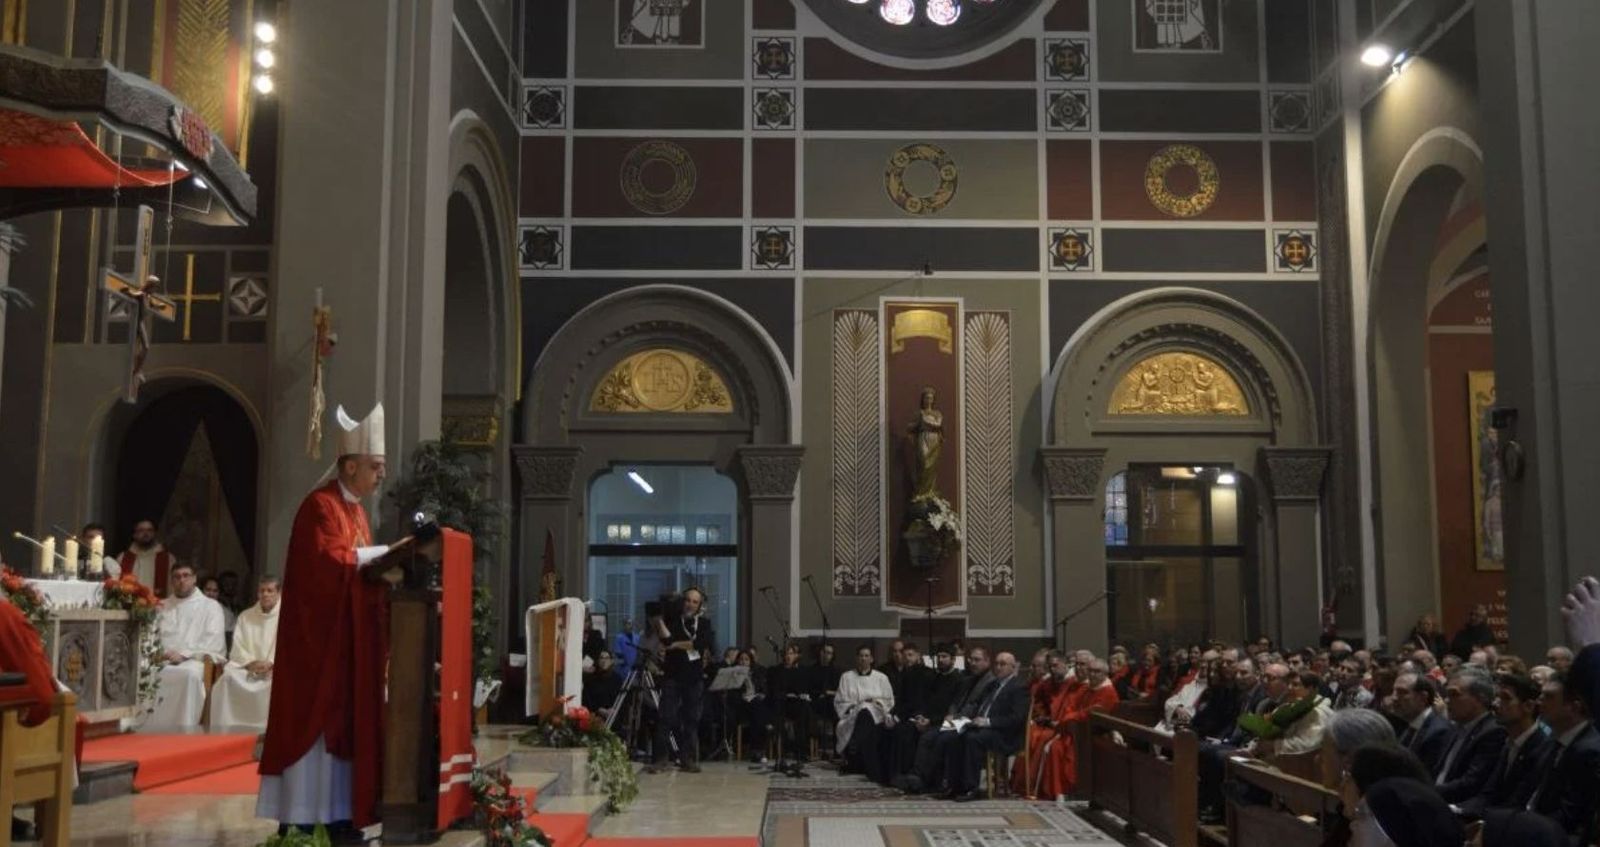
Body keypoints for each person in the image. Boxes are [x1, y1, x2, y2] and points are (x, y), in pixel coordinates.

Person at [259, 402, 412, 838]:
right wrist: (384, 555)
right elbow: (325, 565)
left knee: (349, 728)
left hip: (349, 643)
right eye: (376, 466)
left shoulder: (357, 511)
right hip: (318, 645)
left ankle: (343, 817)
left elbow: (358, 568)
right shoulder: (319, 506)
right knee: (316, 730)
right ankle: (304, 821)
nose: (382, 474)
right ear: (349, 466)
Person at [1026, 655, 1117, 799]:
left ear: (1105, 674)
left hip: (1091, 734)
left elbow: (1090, 713)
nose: (1092, 674)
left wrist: (1067, 719)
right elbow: (1072, 705)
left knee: (1057, 747)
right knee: (1052, 745)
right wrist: (1067, 718)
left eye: (1097, 671)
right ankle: (1054, 791)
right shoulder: (1088, 688)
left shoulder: (1107, 692)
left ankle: (1066, 789)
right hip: (1077, 730)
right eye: (1091, 671)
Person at [147, 562, 227, 727]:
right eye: (177, 577)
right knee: (144, 672)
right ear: (171, 581)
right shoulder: (161, 606)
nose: (181, 580)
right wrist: (159, 653)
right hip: (162, 659)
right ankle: (147, 728)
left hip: (194, 661)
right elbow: (150, 636)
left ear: (194, 579)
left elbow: (213, 642)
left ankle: (183, 729)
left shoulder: (211, 607)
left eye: (186, 576)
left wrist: (184, 655)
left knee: (188, 675)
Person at [1457, 672, 1547, 817]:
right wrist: (1455, 809)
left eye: (1505, 698)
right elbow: (1487, 794)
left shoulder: (1541, 748)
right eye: (1497, 697)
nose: (1495, 704)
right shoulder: (1508, 742)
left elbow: (1517, 804)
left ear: (1529, 706)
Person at [941, 650, 1027, 802]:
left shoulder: (1018, 687)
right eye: (996, 664)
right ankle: (954, 785)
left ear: (1013, 667)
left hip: (1002, 733)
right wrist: (960, 719)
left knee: (971, 739)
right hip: (979, 724)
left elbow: (1016, 719)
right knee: (951, 733)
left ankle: (970, 788)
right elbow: (977, 706)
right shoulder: (992, 685)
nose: (998, 667)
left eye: (1003, 664)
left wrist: (987, 722)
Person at [1524, 672, 1599, 842]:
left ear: (1574, 706)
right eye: (1541, 695)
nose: (1539, 701)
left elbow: (1570, 815)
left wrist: (1520, 827)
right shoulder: (1552, 740)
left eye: (1548, 697)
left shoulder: (1590, 751)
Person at [648, 587, 713, 774]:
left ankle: (688, 760)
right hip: (672, 676)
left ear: (699, 605)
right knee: (665, 718)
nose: (690, 604)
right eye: (688, 600)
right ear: (683, 602)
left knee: (691, 720)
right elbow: (665, 641)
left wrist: (676, 644)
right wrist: (660, 621)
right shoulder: (672, 620)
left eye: (695, 602)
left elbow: (699, 644)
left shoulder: (704, 624)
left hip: (694, 677)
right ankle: (660, 760)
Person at [206, 574, 281, 730]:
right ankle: (227, 731)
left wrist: (271, 663)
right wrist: (251, 663)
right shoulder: (245, 616)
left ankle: (268, 731)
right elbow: (238, 647)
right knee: (227, 679)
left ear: (278, 593)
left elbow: (289, 648)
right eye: (262, 590)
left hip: (274, 670)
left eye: (270, 590)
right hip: (248, 667)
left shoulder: (287, 617)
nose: (265, 594)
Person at [1432, 665, 1508, 803]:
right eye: (1447, 695)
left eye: (1454, 694)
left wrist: (1428, 792)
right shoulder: (1454, 727)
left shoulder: (1493, 732)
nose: (1447, 700)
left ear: (1480, 699)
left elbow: (1471, 783)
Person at [835, 644, 896, 784]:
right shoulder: (846, 677)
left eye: (866, 656)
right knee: (862, 712)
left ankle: (854, 751)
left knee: (866, 712)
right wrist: (854, 706)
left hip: (877, 714)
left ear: (872, 659)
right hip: (852, 714)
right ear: (857, 658)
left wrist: (875, 702)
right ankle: (860, 759)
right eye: (861, 656)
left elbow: (889, 700)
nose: (863, 659)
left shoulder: (881, 678)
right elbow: (840, 701)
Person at [1390, 672, 1455, 773]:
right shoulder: (1407, 725)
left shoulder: (1438, 732)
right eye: (1393, 691)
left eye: (1402, 692)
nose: (1394, 698)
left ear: (1423, 698)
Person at [765, 642, 813, 766]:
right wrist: (785, 694)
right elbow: (773, 690)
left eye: (791, 654)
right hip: (780, 703)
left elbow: (803, 689)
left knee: (804, 709)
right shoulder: (776, 670)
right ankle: (782, 751)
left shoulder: (800, 671)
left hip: (794, 703)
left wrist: (798, 695)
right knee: (778, 711)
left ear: (795, 656)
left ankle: (801, 751)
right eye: (786, 654)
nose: (788, 656)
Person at [111, 519, 173, 594]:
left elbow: (173, 586)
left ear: (155, 534)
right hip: (131, 600)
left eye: (149, 530)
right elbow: (115, 583)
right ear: (134, 535)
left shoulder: (168, 558)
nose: (146, 533)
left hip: (158, 600)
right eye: (141, 530)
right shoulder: (123, 557)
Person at [582, 650, 624, 720]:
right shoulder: (591, 679)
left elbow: (621, 700)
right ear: (598, 661)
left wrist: (613, 710)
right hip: (594, 717)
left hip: (613, 717)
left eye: (607, 658)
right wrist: (599, 710)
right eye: (601, 658)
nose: (604, 661)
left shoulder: (617, 679)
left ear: (611, 661)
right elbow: (586, 699)